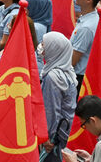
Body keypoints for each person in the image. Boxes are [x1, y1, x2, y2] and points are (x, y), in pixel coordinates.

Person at [40, 32, 78, 162]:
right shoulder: (67, 69)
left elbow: (51, 111)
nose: (42, 47)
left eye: (45, 44)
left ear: (54, 49)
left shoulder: (53, 78)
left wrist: (47, 138)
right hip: (66, 130)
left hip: (56, 137)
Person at [71, 0, 101, 85]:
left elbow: (73, 60)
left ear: (89, 0)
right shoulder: (88, 18)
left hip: (78, 77)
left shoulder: (87, 27)